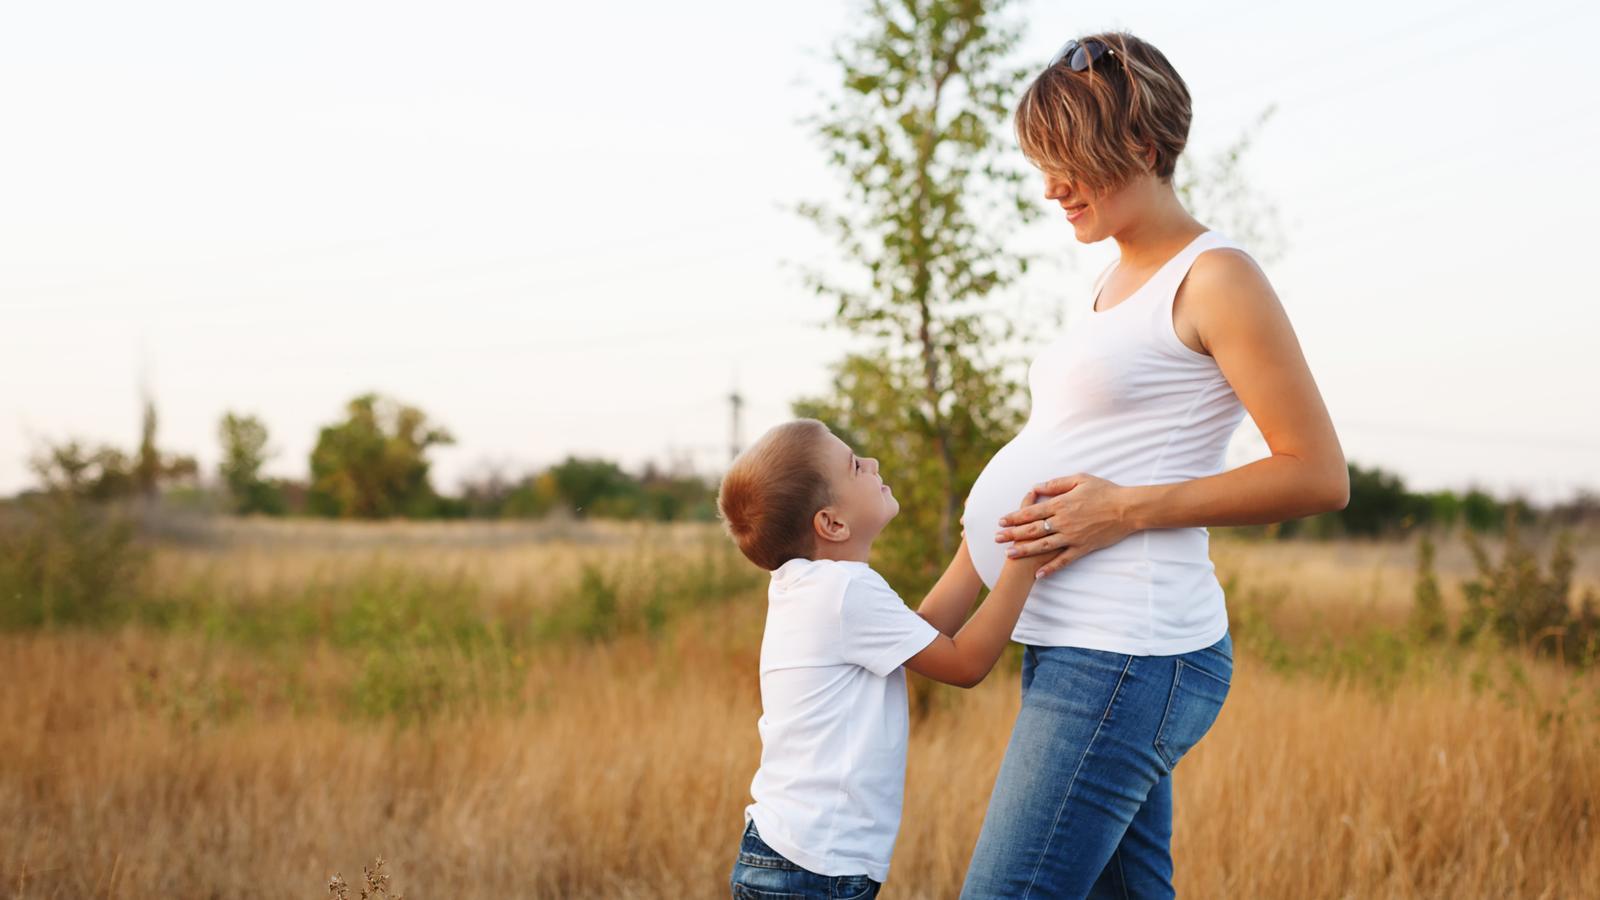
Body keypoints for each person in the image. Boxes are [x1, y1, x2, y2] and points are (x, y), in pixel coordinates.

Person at [953, 31, 1350, 898]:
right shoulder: (1106, 286)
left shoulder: (1215, 278)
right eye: (1042, 163)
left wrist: (1121, 510)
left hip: (1129, 649)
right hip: (1072, 641)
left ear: (1141, 147)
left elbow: (1317, 472)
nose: (1051, 188)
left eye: (1071, 163)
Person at [716, 419, 1046, 900]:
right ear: (831, 523)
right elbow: (965, 665)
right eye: (855, 465)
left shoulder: (811, 586)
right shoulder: (845, 591)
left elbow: (923, 634)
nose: (871, 463)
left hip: (787, 854)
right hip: (814, 868)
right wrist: (1024, 554)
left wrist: (974, 547)